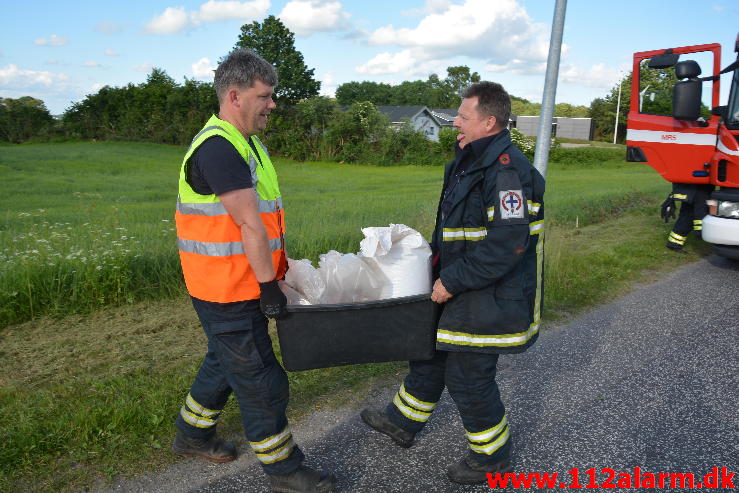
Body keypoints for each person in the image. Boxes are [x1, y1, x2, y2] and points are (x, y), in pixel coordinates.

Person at [360, 82, 545, 485]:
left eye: (463, 117)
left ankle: (492, 456)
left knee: (468, 375)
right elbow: (460, 232)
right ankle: (401, 422)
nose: (454, 123)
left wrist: (452, 280)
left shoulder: (507, 172)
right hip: (464, 285)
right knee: (430, 354)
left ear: (489, 121)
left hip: (488, 295)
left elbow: (507, 243)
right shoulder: (471, 161)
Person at [172, 48, 335, 493]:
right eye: (265, 95)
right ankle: (284, 471)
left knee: (225, 362)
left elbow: (261, 221)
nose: (272, 104)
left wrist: (274, 274)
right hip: (228, 288)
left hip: (231, 284)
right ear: (235, 95)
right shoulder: (220, 148)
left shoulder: (245, 143)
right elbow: (248, 223)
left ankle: (191, 434)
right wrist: (269, 287)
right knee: (262, 381)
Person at [661, 183, 713, 252]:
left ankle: (673, 244)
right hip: (700, 187)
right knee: (696, 213)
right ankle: (700, 234)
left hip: (690, 188)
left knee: (686, 216)